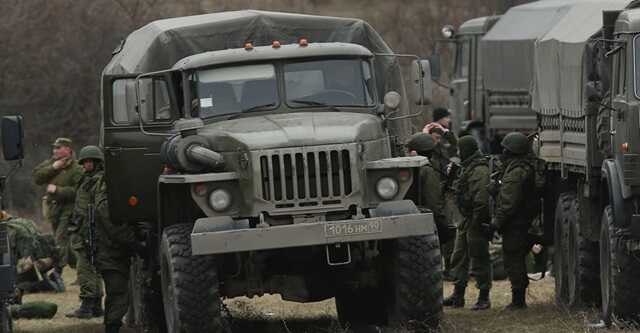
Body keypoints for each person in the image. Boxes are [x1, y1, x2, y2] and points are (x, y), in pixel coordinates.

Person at [87, 146, 140, 333]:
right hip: (110, 251)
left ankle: (113, 325)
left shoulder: (109, 182)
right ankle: (112, 327)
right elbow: (109, 219)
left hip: (114, 249)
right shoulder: (105, 185)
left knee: (118, 292)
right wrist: (133, 240)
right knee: (117, 292)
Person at [490, 132, 538, 310]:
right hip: (521, 221)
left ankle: (518, 301)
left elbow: (508, 203)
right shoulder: (520, 167)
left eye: (505, 149)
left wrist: (496, 223)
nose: (503, 152)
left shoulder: (516, 172)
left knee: (513, 259)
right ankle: (518, 299)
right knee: (515, 258)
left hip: (516, 223)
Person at [444, 136, 492, 310]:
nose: (458, 153)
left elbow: (482, 200)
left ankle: (484, 297)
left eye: (460, 150)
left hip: (476, 220)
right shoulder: (467, 167)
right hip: (467, 219)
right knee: (459, 257)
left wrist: (478, 222)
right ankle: (458, 295)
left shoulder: (479, 170)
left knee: (479, 258)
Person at [32, 137, 83, 274]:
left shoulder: (77, 168)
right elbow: (37, 177)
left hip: (69, 209)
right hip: (54, 210)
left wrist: (58, 191)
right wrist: (53, 168)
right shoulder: (52, 164)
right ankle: (81, 267)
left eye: (58, 148)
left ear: (68, 150)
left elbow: (79, 191)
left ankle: (57, 272)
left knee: (60, 239)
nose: (55, 150)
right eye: (54, 148)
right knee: (63, 242)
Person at [65, 146, 105, 319]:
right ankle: (95, 306)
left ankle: (87, 306)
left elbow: (97, 208)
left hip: (90, 230)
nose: (87, 164)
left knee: (85, 268)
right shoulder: (86, 180)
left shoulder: (97, 181)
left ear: (97, 162)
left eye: (90, 161)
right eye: (85, 162)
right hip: (83, 228)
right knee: (92, 268)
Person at [406, 133, 455, 246]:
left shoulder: (409, 169)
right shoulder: (427, 171)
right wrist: (443, 227)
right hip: (426, 228)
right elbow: (434, 203)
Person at [0, 210, 64, 294]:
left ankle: (42, 284)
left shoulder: (6, 229)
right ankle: (47, 279)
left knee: (12, 285)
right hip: (46, 261)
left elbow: (8, 259)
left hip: (29, 265)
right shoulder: (24, 222)